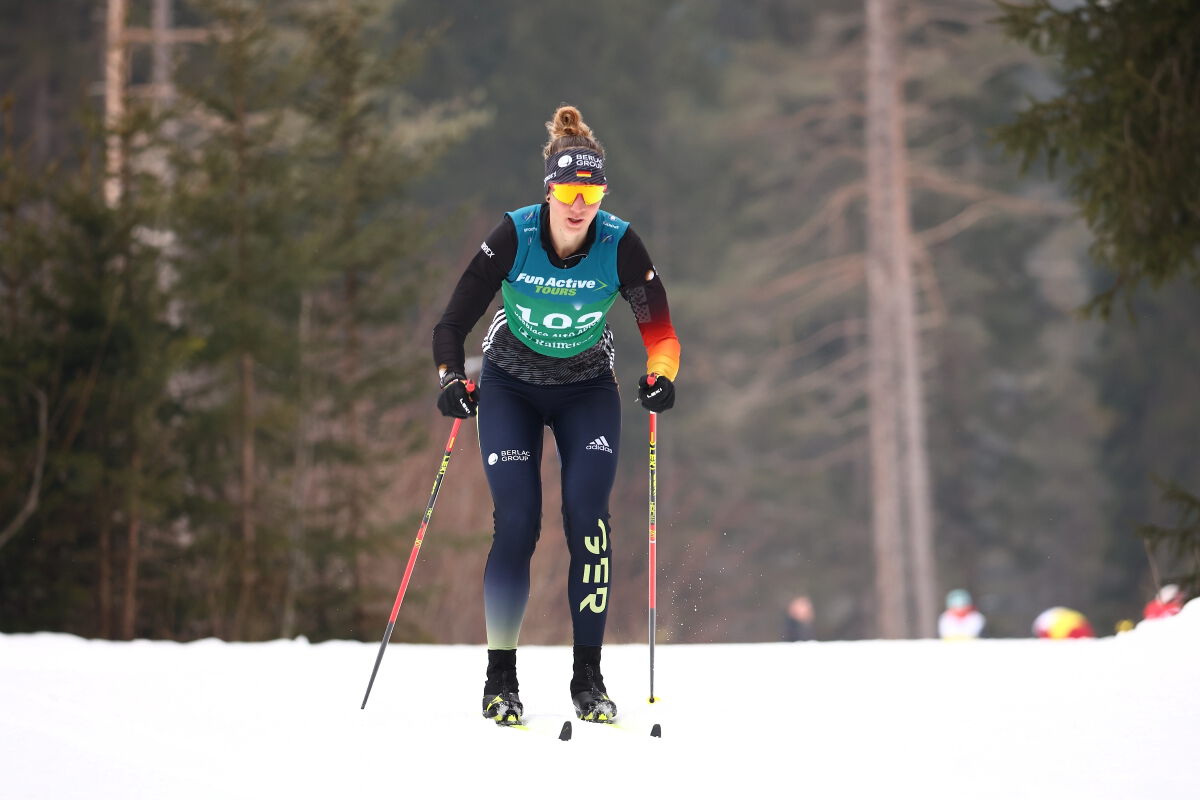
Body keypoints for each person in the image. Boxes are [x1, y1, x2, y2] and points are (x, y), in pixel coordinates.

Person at [432, 105, 681, 726]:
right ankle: (500, 680)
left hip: (586, 388)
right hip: (511, 385)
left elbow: (663, 334)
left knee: (588, 521)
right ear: (549, 190)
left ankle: (588, 681)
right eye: (569, 192)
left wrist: (661, 377)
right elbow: (452, 322)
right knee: (517, 522)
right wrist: (449, 380)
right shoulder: (514, 235)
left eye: (591, 193)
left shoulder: (619, 243)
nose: (580, 205)